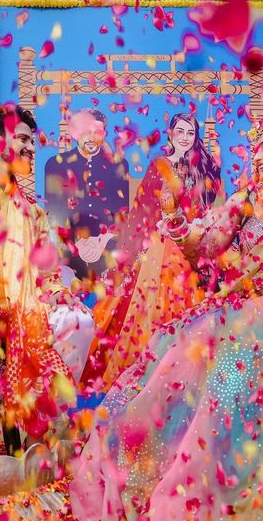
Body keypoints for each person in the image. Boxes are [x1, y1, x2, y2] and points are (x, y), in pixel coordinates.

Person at [69, 113, 263, 521]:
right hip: (246, 317)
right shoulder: (246, 199)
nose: (258, 156)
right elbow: (205, 244)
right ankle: (210, 485)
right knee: (204, 360)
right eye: (255, 149)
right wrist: (180, 225)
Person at [0, 104, 95, 462]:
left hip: (18, 315)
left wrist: (57, 295)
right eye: (23, 139)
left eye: (32, 141)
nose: (30, 148)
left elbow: (47, 277)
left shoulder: (33, 213)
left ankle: (33, 434)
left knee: (79, 321)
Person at [83, 112, 223, 389]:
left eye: (190, 133)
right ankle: (150, 370)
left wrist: (196, 224)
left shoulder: (199, 169)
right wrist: (161, 226)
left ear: (196, 137)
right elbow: (143, 209)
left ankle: (183, 370)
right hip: (162, 241)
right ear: (170, 134)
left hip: (191, 240)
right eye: (180, 131)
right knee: (166, 277)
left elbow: (203, 209)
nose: (185, 138)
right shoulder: (159, 165)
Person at [45, 108, 129, 282]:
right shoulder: (55, 165)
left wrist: (101, 242)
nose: (91, 138)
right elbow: (52, 216)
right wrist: (77, 244)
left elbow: (123, 216)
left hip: (108, 248)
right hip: (68, 250)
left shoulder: (119, 165)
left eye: (97, 132)